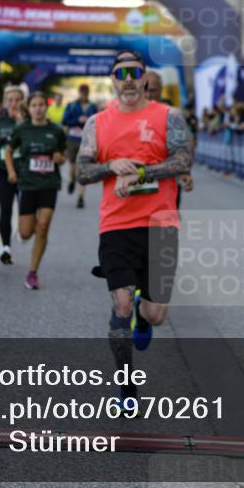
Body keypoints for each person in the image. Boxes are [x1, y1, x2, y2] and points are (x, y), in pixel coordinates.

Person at [76, 51, 192, 407]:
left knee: (154, 314)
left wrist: (141, 172)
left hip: (160, 223)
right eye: (120, 73)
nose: (127, 79)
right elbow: (81, 171)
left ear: (144, 78)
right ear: (112, 79)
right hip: (117, 225)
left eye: (134, 72)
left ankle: (145, 314)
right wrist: (111, 165)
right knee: (121, 303)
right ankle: (126, 388)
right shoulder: (97, 123)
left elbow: (183, 159)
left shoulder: (168, 116)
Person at [7, 91, 67, 289]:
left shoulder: (56, 131)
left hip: (49, 184)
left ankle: (32, 273)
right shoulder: (21, 129)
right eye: (34, 105)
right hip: (28, 184)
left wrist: (60, 158)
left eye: (42, 105)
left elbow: (63, 153)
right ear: (29, 108)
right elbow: (8, 151)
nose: (38, 108)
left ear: (46, 107)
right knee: (25, 233)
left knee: (43, 227)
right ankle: (23, 231)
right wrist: (11, 171)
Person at [0, 85, 26, 265]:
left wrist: (20, 121)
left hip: (25, 171)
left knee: (25, 210)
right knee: (6, 208)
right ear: (4, 102)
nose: (14, 103)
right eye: (10, 100)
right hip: (2, 170)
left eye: (18, 100)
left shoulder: (28, 121)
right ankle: (5, 248)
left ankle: (24, 231)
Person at [144, 70, 194, 204]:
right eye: (145, 90)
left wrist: (185, 171)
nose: (148, 95)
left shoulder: (171, 114)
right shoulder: (130, 113)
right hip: (141, 179)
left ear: (160, 90)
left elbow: (186, 144)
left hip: (168, 177)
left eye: (153, 90)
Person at [61, 83, 99, 209]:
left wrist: (88, 120)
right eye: (82, 92)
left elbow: (98, 122)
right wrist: (78, 120)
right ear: (79, 92)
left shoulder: (93, 107)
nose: (84, 94)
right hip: (72, 139)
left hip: (87, 140)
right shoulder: (72, 105)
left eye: (86, 92)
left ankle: (80, 197)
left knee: (82, 169)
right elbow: (65, 120)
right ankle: (72, 180)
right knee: (73, 169)